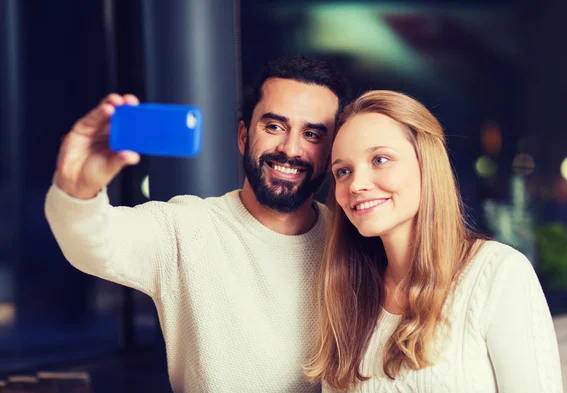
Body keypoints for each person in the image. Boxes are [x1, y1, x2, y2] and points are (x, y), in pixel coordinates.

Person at [44, 56, 350, 393]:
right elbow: (92, 242)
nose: (291, 149)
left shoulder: (351, 243)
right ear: (243, 136)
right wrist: (77, 185)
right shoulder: (186, 229)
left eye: (312, 134)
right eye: (274, 126)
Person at [304, 90, 563, 392]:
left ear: (426, 164)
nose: (356, 185)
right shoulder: (346, 296)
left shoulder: (498, 273)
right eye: (343, 171)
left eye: (380, 159)